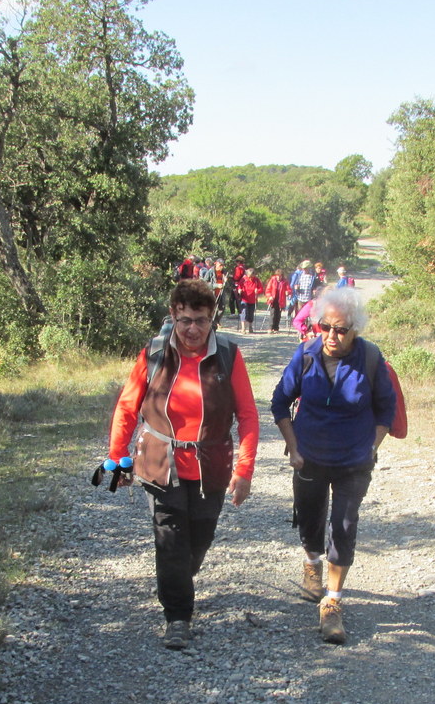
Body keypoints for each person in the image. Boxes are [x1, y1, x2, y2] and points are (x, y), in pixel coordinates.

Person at [105, 279, 259, 650]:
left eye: (201, 320)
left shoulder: (228, 355)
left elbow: (248, 415)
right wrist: (116, 460)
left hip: (211, 466)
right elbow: (128, 408)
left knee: (199, 540)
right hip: (161, 462)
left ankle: (178, 580)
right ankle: (177, 616)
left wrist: (245, 470)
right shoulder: (154, 353)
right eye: (185, 319)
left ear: (213, 320)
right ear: (173, 315)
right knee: (170, 539)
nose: (193, 329)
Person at [270, 286, 397, 644]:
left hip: (353, 460)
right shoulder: (306, 354)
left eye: (341, 330)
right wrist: (292, 447)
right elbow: (280, 402)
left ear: (355, 330)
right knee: (310, 520)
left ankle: (333, 602)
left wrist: (372, 447)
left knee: (343, 524)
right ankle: (311, 560)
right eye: (325, 327)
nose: (331, 336)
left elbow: (386, 409)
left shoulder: (371, 358)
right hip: (308, 455)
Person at [237, 267, 264, 333]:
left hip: (253, 300)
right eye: (249, 276)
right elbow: (239, 286)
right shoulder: (244, 279)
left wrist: (257, 291)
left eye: (252, 276)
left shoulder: (256, 280)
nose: (250, 278)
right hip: (244, 299)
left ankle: (250, 326)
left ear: (254, 275)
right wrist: (239, 290)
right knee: (244, 313)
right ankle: (243, 328)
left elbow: (261, 289)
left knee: (251, 314)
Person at [264, 268, 292, 333]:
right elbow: (268, 290)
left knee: (278, 314)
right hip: (273, 300)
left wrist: (288, 292)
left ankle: (276, 328)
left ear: (282, 276)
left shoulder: (285, 281)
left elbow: (289, 289)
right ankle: (270, 328)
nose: (278, 277)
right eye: (277, 276)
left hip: (281, 300)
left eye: (280, 276)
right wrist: (269, 296)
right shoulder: (272, 280)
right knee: (272, 314)